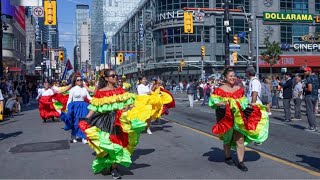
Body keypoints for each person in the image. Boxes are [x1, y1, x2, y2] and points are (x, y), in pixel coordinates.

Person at [78, 69, 150, 179]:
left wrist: (130, 109)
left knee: (118, 144)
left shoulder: (120, 91)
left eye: (116, 75)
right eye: (112, 76)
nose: (115, 77)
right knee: (107, 144)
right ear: (106, 78)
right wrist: (85, 120)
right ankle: (111, 166)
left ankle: (114, 167)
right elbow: (94, 108)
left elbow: (129, 104)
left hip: (118, 121)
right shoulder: (100, 92)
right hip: (104, 121)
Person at [209, 67, 269, 172]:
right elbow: (214, 102)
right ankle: (228, 157)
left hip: (238, 119)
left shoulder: (239, 89)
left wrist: (250, 106)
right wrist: (225, 103)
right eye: (230, 76)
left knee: (240, 139)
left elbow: (244, 102)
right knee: (227, 139)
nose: (233, 78)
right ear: (225, 77)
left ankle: (241, 162)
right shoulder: (219, 89)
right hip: (226, 118)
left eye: (234, 76)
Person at [60, 75, 92, 144]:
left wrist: (97, 100)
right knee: (75, 122)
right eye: (78, 80)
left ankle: (84, 137)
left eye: (81, 80)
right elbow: (69, 99)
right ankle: (73, 135)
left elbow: (89, 97)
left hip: (84, 106)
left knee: (84, 121)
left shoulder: (84, 89)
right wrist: (67, 108)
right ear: (75, 82)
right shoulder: (73, 89)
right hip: (75, 106)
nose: (80, 81)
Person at [303, 67, 319, 132]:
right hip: (315, 96)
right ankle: (315, 126)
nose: (304, 72)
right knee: (312, 112)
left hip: (309, 96)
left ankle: (312, 127)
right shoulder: (316, 77)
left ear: (309, 71)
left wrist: (304, 88)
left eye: (305, 71)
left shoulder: (309, 78)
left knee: (309, 112)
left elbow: (309, 89)